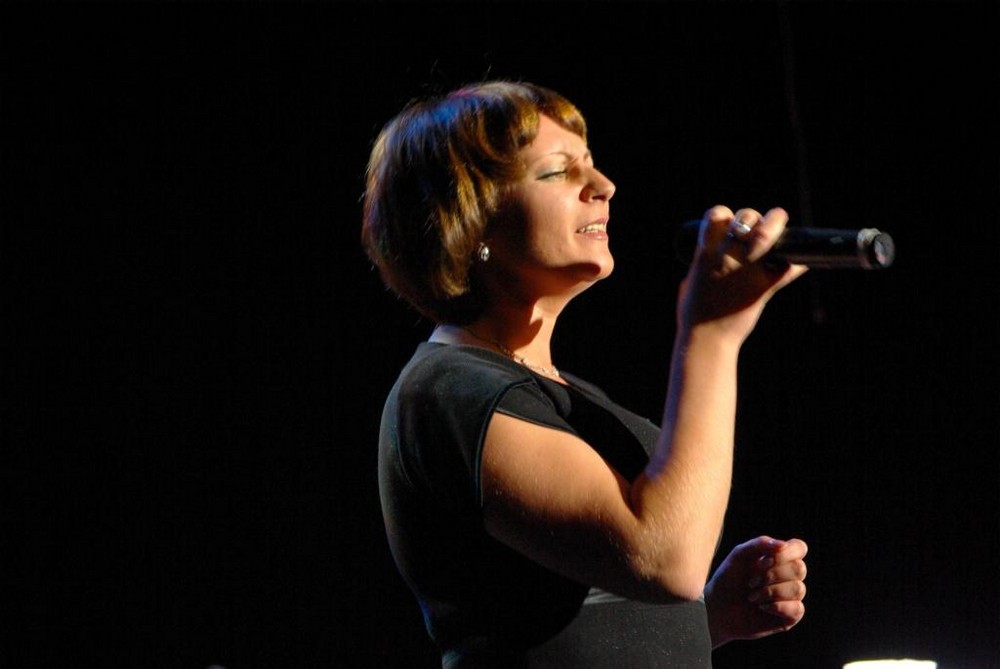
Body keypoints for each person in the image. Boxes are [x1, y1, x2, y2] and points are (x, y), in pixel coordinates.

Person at [361, 80, 809, 667]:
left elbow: (581, 609)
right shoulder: (448, 391)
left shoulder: (561, 393)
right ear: (470, 221)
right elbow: (664, 556)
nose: (603, 186)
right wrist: (712, 335)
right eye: (556, 172)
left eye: (591, 163)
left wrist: (707, 619)